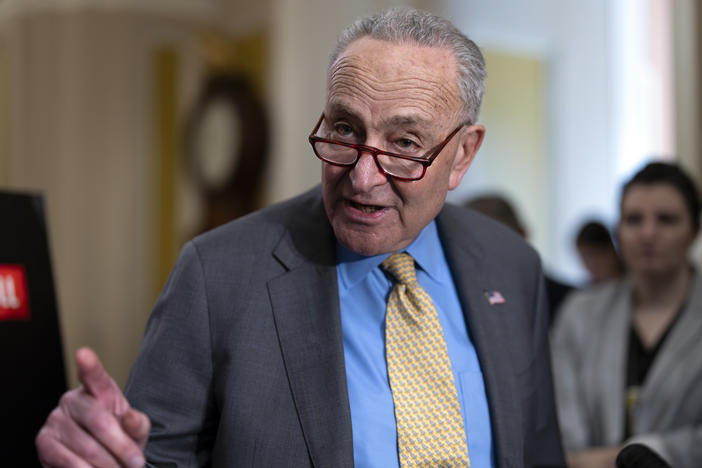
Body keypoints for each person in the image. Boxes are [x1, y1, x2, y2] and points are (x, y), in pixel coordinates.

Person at [36, 7, 565, 467]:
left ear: (464, 155)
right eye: (345, 130)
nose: (362, 177)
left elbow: (539, 452)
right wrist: (99, 454)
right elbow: (151, 457)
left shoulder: (511, 267)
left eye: (404, 143)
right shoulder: (216, 275)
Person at [551, 162, 702, 468]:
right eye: (634, 220)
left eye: (666, 220)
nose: (648, 233)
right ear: (618, 230)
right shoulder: (580, 314)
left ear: (694, 230)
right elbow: (562, 439)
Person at [465, 194, 574, 327]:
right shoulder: (457, 302)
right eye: (472, 244)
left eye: (495, 241)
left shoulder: (570, 303)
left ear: (522, 235)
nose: (483, 255)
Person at [574, 219, 624, 284]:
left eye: (591, 255)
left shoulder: (635, 282)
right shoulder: (588, 289)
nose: (589, 265)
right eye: (584, 258)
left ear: (609, 250)